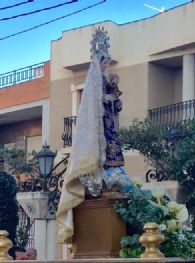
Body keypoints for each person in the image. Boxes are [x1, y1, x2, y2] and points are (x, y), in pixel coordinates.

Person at [57, 32, 131, 244]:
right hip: (98, 127)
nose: (106, 64)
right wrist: (105, 98)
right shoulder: (93, 83)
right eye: (103, 61)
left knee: (114, 151)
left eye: (107, 61)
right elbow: (91, 104)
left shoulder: (109, 80)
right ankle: (99, 178)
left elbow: (117, 106)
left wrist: (115, 94)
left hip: (109, 127)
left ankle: (113, 176)